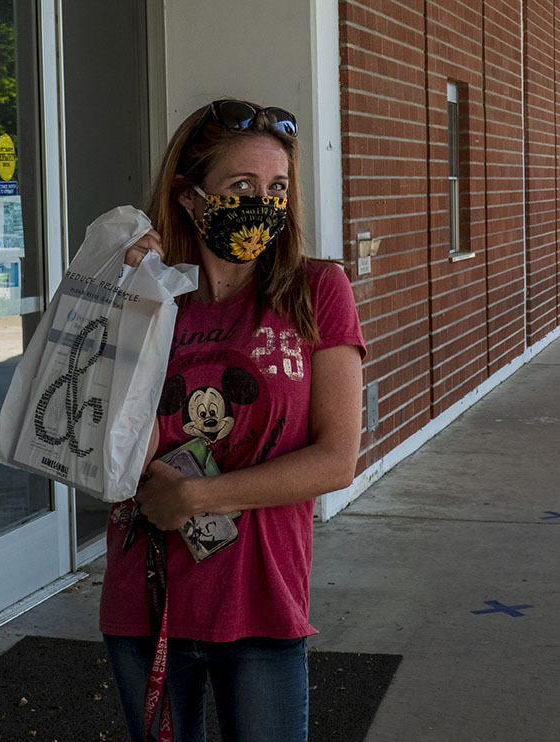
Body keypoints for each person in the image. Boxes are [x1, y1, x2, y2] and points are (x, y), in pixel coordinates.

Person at [99, 99, 366, 742]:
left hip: (261, 600)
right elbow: (85, 426)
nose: (263, 203)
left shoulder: (316, 290)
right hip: (148, 595)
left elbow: (336, 458)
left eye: (276, 187)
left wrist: (198, 494)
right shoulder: (150, 293)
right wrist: (110, 280)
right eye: (241, 186)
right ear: (190, 197)